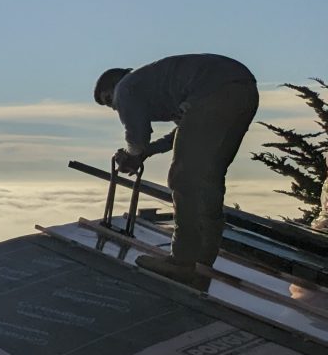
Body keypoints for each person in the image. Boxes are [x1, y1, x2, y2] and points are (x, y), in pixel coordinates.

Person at [93, 54, 258, 285]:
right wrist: (145, 153)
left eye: (109, 100)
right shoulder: (160, 85)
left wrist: (131, 156)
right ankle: (203, 258)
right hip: (243, 91)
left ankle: (181, 261)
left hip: (215, 91)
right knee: (210, 176)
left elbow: (137, 137)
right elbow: (183, 132)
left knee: (183, 179)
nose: (115, 107)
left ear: (114, 87)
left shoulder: (126, 88)